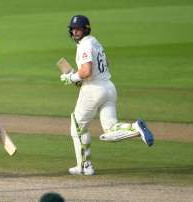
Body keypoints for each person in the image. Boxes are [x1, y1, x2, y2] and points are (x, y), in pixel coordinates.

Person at [60, 15, 154, 176]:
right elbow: (106, 63)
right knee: (110, 129)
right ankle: (135, 128)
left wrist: (71, 77)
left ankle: (84, 166)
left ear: (86, 29)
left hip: (93, 90)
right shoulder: (95, 42)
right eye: (73, 29)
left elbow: (86, 71)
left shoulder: (84, 46)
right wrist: (84, 77)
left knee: (77, 126)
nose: (75, 32)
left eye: (78, 29)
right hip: (109, 88)